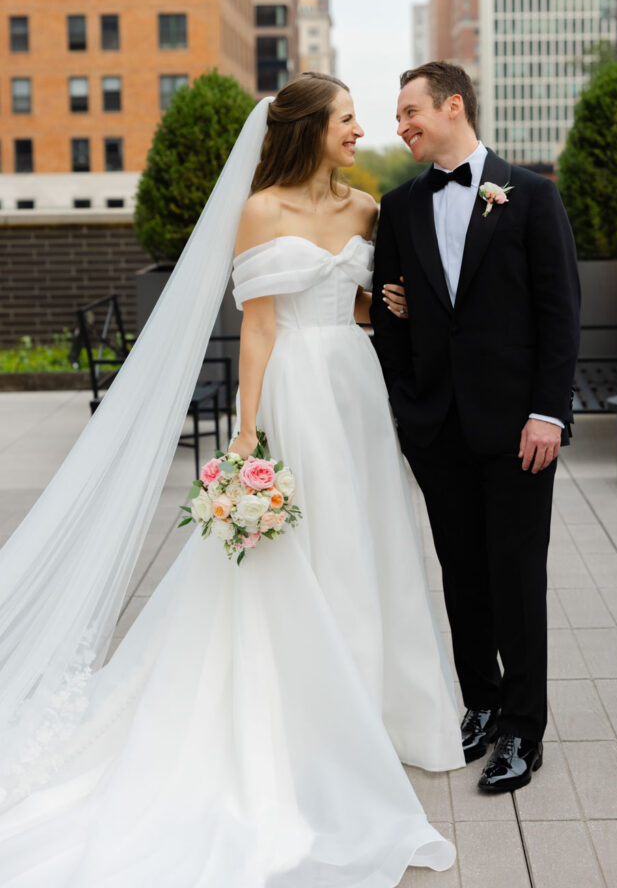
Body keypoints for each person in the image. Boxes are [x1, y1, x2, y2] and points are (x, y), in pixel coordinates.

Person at [0, 74, 464, 887]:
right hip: (293, 388)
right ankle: (316, 724)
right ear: (309, 128)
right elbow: (257, 329)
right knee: (309, 546)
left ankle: (386, 713)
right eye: (348, 119)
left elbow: (363, 308)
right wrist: (249, 432)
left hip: (355, 389)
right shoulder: (259, 211)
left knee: (371, 538)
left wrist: (382, 303)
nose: (361, 131)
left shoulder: (367, 209)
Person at [371, 61, 580, 793]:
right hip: (437, 429)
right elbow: (389, 321)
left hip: (521, 428)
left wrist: (548, 412)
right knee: (460, 575)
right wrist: (407, 412)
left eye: (408, 111)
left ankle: (524, 728)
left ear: (451, 105)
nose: (399, 126)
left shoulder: (532, 197)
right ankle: (482, 704)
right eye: (396, 116)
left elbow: (559, 313)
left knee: (516, 577)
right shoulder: (397, 208)